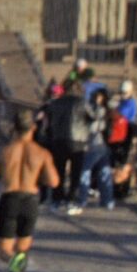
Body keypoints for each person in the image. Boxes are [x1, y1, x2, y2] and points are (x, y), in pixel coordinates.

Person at [0, 109, 60, 272]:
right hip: (30, 200)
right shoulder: (42, 153)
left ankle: (12, 266)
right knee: (22, 250)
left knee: (5, 251)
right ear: (33, 128)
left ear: (14, 128)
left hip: (10, 198)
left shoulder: (4, 151)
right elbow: (54, 181)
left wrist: (5, 173)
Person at [41, 80, 96, 215]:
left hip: (59, 140)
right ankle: (72, 199)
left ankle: (57, 198)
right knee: (75, 173)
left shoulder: (55, 103)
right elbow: (93, 118)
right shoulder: (82, 103)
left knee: (59, 170)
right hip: (78, 141)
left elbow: (47, 121)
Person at [84, 90, 118, 210]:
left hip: (96, 145)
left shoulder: (99, 110)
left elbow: (93, 128)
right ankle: (108, 200)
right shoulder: (111, 111)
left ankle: (81, 199)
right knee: (104, 172)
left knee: (86, 171)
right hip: (105, 145)